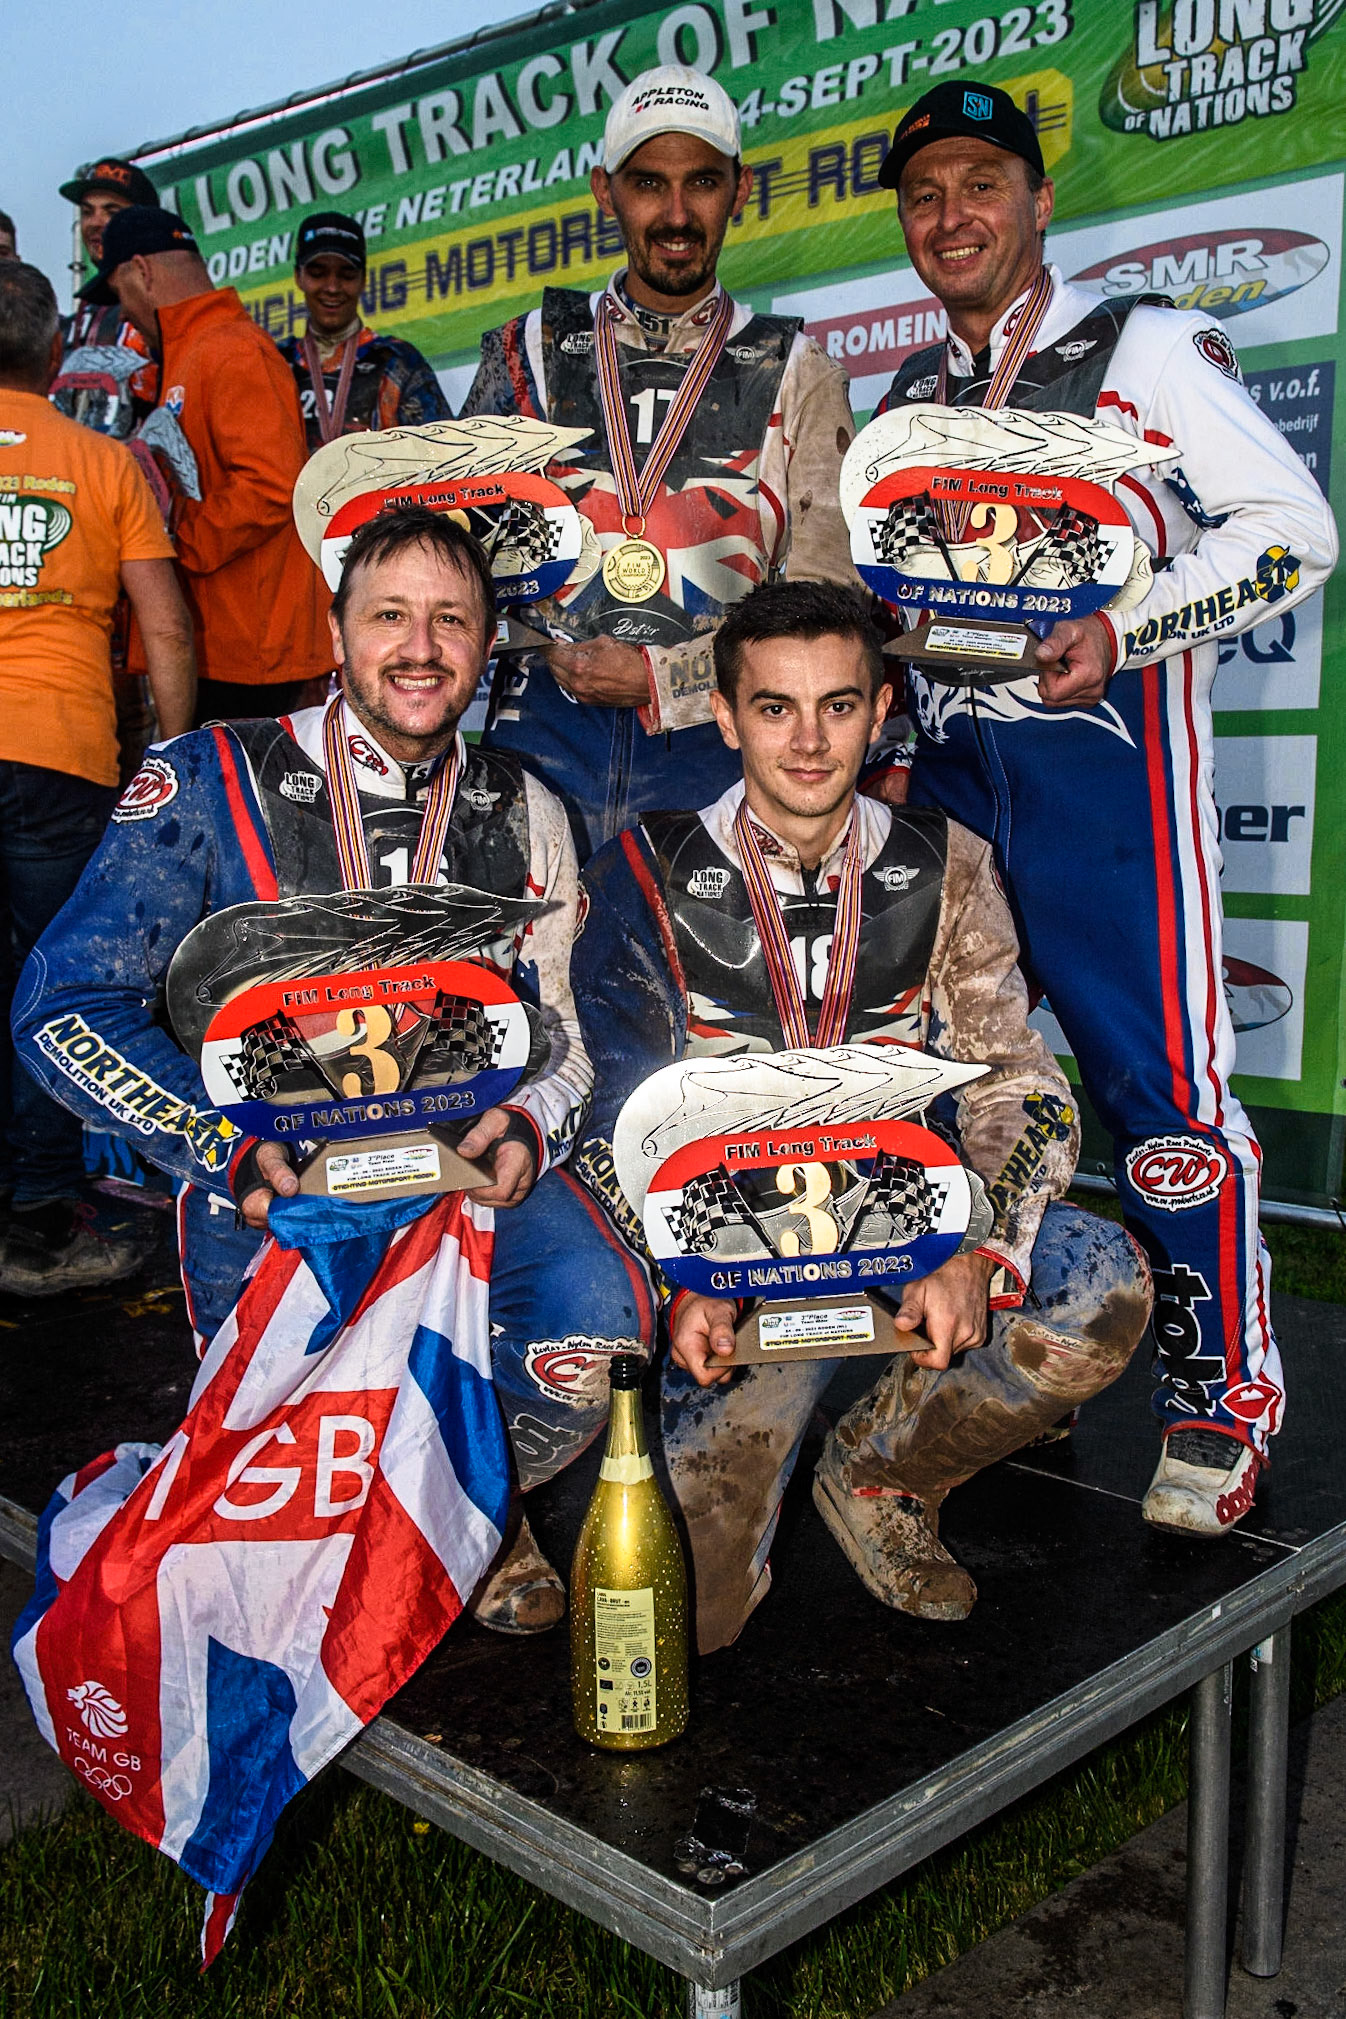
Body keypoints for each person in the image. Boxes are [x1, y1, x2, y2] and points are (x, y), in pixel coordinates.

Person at [12, 505, 655, 1630]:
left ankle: (465, 1510)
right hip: (281, 1186)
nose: (419, 649)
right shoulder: (210, 776)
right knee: (296, 1449)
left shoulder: (524, 805)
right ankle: (355, 1514)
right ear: (335, 630)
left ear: (488, 641)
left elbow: (555, 1030)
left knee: (594, 1346)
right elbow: (64, 1006)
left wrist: (527, 1128)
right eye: (389, 616)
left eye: (450, 620)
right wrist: (222, 1144)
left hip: (464, 1173)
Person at [866, 82, 1338, 1537]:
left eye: (981, 185)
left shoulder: (1138, 349)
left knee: (1159, 1100)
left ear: (1036, 200)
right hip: (947, 783)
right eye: (926, 193)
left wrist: (1127, 631)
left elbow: (1293, 532)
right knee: (949, 1088)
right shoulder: (903, 403)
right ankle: (984, 1377)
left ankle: (1217, 1401)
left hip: (1099, 775)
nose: (953, 216)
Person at [571, 581, 1152, 1652]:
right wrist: (683, 1275)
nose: (807, 740)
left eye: (837, 706)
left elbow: (1012, 1084)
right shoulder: (644, 873)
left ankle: (881, 1471)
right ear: (728, 712)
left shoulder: (948, 863)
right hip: (738, 1268)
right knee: (687, 1625)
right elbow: (614, 1112)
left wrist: (971, 1245)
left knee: (1093, 1289)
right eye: (776, 708)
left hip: (906, 1230)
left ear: (879, 711)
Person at [462, 64, 860, 859]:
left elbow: (831, 603)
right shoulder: (526, 351)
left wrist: (666, 680)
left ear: (739, 189)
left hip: (714, 746)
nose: (676, 214)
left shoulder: (800, 369)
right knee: (527, 978)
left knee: (697, 981)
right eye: (648, 183)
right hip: (538, 731)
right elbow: (456, 561)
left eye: (702, 183)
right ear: (604, 190)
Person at [0, 261, 195, 1293]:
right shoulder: (102, 461)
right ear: (49, 355)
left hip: (50, 756)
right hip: (56, 754)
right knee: (49, 985)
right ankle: (34, 1224)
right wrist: (174, 759)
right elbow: (162, 621)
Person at [77, 204, 333, 724]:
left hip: (251, 655)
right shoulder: (193, 351)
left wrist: (167, 544)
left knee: (241, 802)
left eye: (119, 293)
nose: (122, 314)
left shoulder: (233, 349)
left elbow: (272, 485)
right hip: (222, 643)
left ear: (142, 271)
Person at [276, 212, 452, 455]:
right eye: (318, 273)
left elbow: (443, 457)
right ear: (298, 277)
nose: (332, 287)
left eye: (346, 274)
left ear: (363, 279)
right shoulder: (275, 364)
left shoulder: (398, 361)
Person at [59, 158, 159, 409]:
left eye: (111, 212)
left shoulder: (167, 301)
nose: (95, 222)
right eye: (87, 212)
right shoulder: (76, 318)